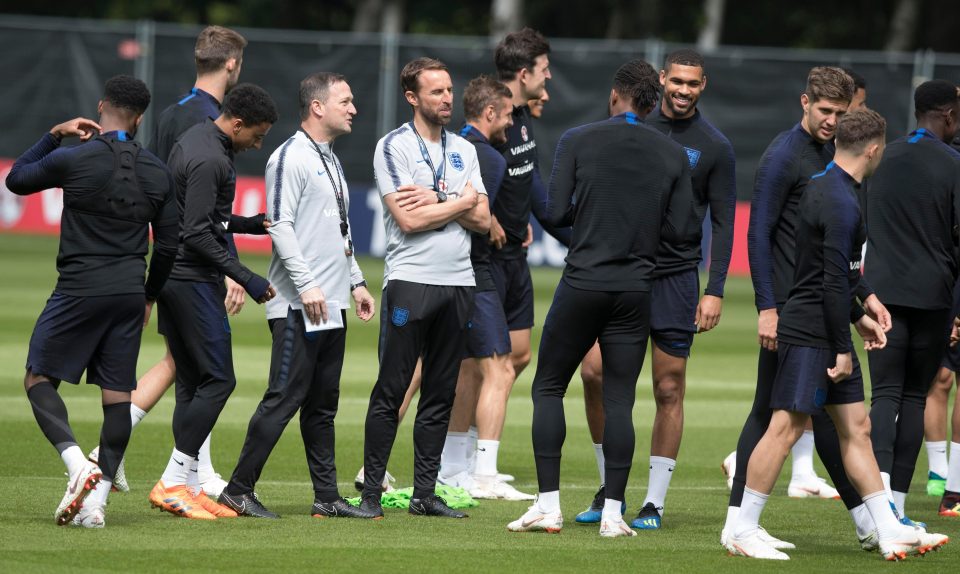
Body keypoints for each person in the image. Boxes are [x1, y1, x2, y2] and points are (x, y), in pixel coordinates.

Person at [726, 108, 950, 561]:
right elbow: (829, 283)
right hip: (811, 332)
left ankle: (888, 528)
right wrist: (843, 346)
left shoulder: (825, 186)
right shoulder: (842, 202)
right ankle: (741, 529)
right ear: (874, 150)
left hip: (820, 324)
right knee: (784, 428)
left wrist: (867, 302)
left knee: (857, 428)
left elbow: (840, 270)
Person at [507, 59, 695, 538]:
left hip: (584, 281)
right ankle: (613, 514)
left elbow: (554, 209)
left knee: (548, 386)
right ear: (653, 105)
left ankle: (548, 507)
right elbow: (683, 228)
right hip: (635, 290)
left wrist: (593, 216)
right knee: (621, 399)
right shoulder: (672, 155)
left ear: (616, 96)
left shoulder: (577, 140)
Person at [723, 67, 892, 550]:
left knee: (828, 422)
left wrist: (857, 303)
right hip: (792, 311)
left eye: (841, 114)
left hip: (820, 307)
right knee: (772, 415)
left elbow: (833, 256)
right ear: (804, 102)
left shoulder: (834, 157)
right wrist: (767, 307)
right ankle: (738, 524)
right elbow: (757, 234)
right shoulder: (783, 156)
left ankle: (868, 522)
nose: (832, 121)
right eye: (825, 111)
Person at [574, 48, 737, 529]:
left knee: (668, 386)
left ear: (703, 85)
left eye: (694, 83)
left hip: (675, 278)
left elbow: (725, 224)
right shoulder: (632, 126)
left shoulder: (714, 146)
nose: (683, 91)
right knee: (594, 373)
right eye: (677, 81)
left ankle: (654, 502)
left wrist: (716, 289)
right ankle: (610, 493)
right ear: (663, 79)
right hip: (621, 271)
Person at [6, 75, 178, 527]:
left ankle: (77, 464)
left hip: (79, 287)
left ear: (102, 107)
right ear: (140, 118)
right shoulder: (157, 171)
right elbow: (168, 246)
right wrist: (148, 297)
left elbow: (17, 179)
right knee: (117, 398)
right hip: (127, 293)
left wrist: (54, 134)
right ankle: (96, 505)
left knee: (37, 377)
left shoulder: (74, 157)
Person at [91, 25, 248, 496]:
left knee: (186, 364)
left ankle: (177, 467)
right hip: (193, 261)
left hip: (170, 255)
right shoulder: (214, 122)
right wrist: (228, 268)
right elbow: (208, 209)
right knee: (205, 369)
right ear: (232, 65)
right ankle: (137, 460)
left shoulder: (171, 112)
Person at [216, 73, 377, 519]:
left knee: (323, 404)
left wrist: (356, 281)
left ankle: (326, 498)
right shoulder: (289, 156)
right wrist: (306, 286)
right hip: (295, 305)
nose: (354, 108)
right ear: (318, 107)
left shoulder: (331, 159)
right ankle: (237, 490)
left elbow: (338, 233)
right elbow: (280, 224)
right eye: (346, 100)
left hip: (331, 304)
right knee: (284, 397)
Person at [361, 57, 490, 519]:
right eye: (436, 92)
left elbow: (485, 219)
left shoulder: (464, 149)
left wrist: (439, 197)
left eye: (449, 90)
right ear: (413, 98)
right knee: (391, 390)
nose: (447, 99)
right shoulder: (392, 146)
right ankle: (371, 495)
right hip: (412, 282)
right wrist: (461, 201)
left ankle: (424, 493)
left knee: (439, 392)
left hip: (459, 283)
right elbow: (409, 220)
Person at [149, 83, 278, 520]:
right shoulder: (211, 158)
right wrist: (247, 279)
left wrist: (249, 224)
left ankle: (184, 485)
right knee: (220, 380)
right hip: (191, 280)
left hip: (174, 276)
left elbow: (203, 216)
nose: (258, 144)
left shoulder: (199, 139)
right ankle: (172, 480)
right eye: (257, 135)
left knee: (191, 381)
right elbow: (197, 233)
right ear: (237, 124)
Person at [864, 80, 960, 525]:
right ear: (947, 116)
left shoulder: (881, 157)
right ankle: (898, 507)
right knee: (914, 399)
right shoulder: (954, 164)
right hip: (932, 297)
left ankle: (878, 501)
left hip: (880, 294)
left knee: (883, 396)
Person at [436, 75, 532, 501]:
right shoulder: (489, 158)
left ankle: (453, 468)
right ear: (490, 112)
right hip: (478, 273)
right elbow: (476, 218)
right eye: (508, 114)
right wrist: (491, 221)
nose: (512, 123)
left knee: (464, 369)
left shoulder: (450, 147)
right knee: (501, 368)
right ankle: (485, 473)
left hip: (448, 273)